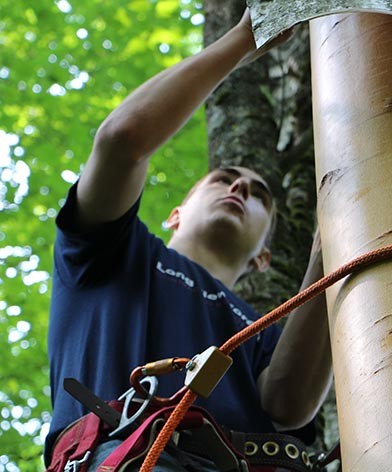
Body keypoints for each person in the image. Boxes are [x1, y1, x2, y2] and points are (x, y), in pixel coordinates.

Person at [45, 9, 332, 471]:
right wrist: (243, 40)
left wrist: (330, 245)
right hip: (123, 459)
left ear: (264, 258)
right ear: (176, 215)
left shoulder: (262, 335)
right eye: (223, 179)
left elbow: (288, 405)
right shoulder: (110, 251)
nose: (240, 188)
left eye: (259, 195)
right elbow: (122, 139)